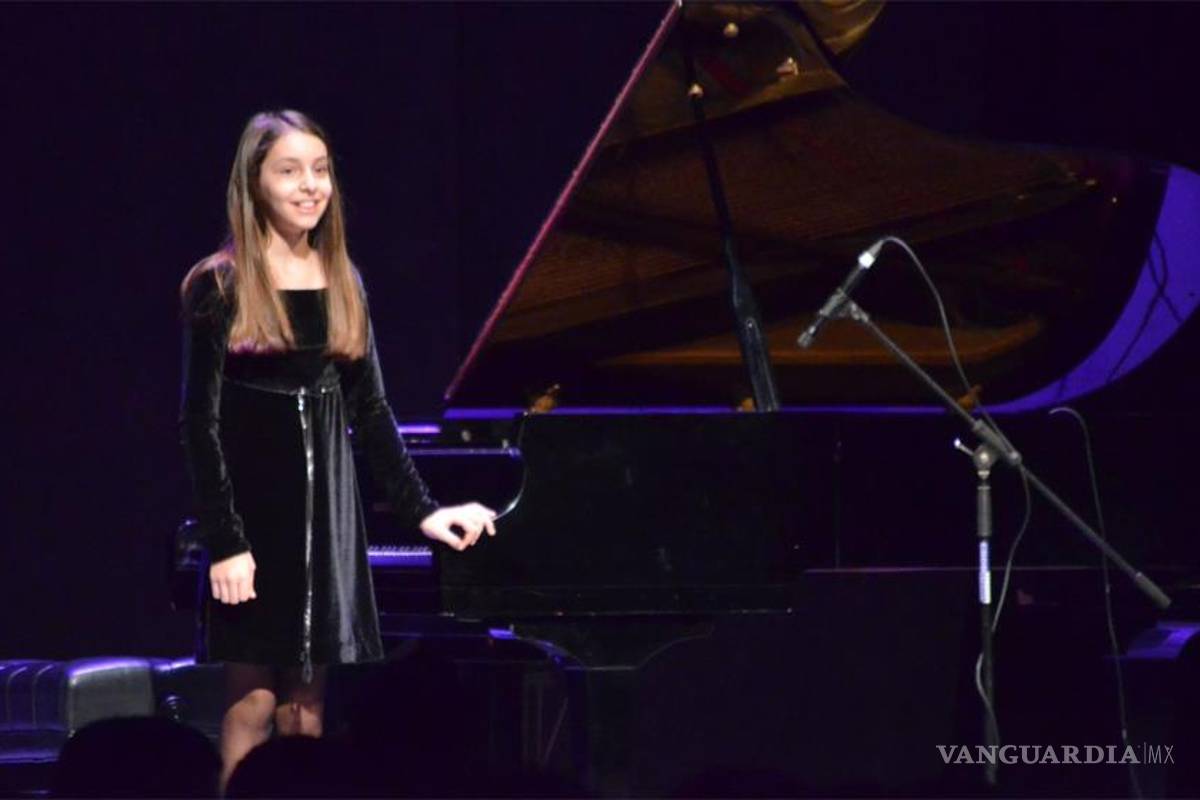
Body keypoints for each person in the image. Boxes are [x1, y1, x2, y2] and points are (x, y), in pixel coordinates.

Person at [179, 109, 497, 789]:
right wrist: (227, 540)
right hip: (255, 526)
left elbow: (372, 411)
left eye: (320, 170)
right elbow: (198, 424)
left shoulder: (343, 280)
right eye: (289, 170)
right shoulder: (221, 285)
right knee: (253, 701)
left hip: (325, 524)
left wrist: (424, 511)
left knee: (307, 707)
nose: (308, 185)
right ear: (254, 181)